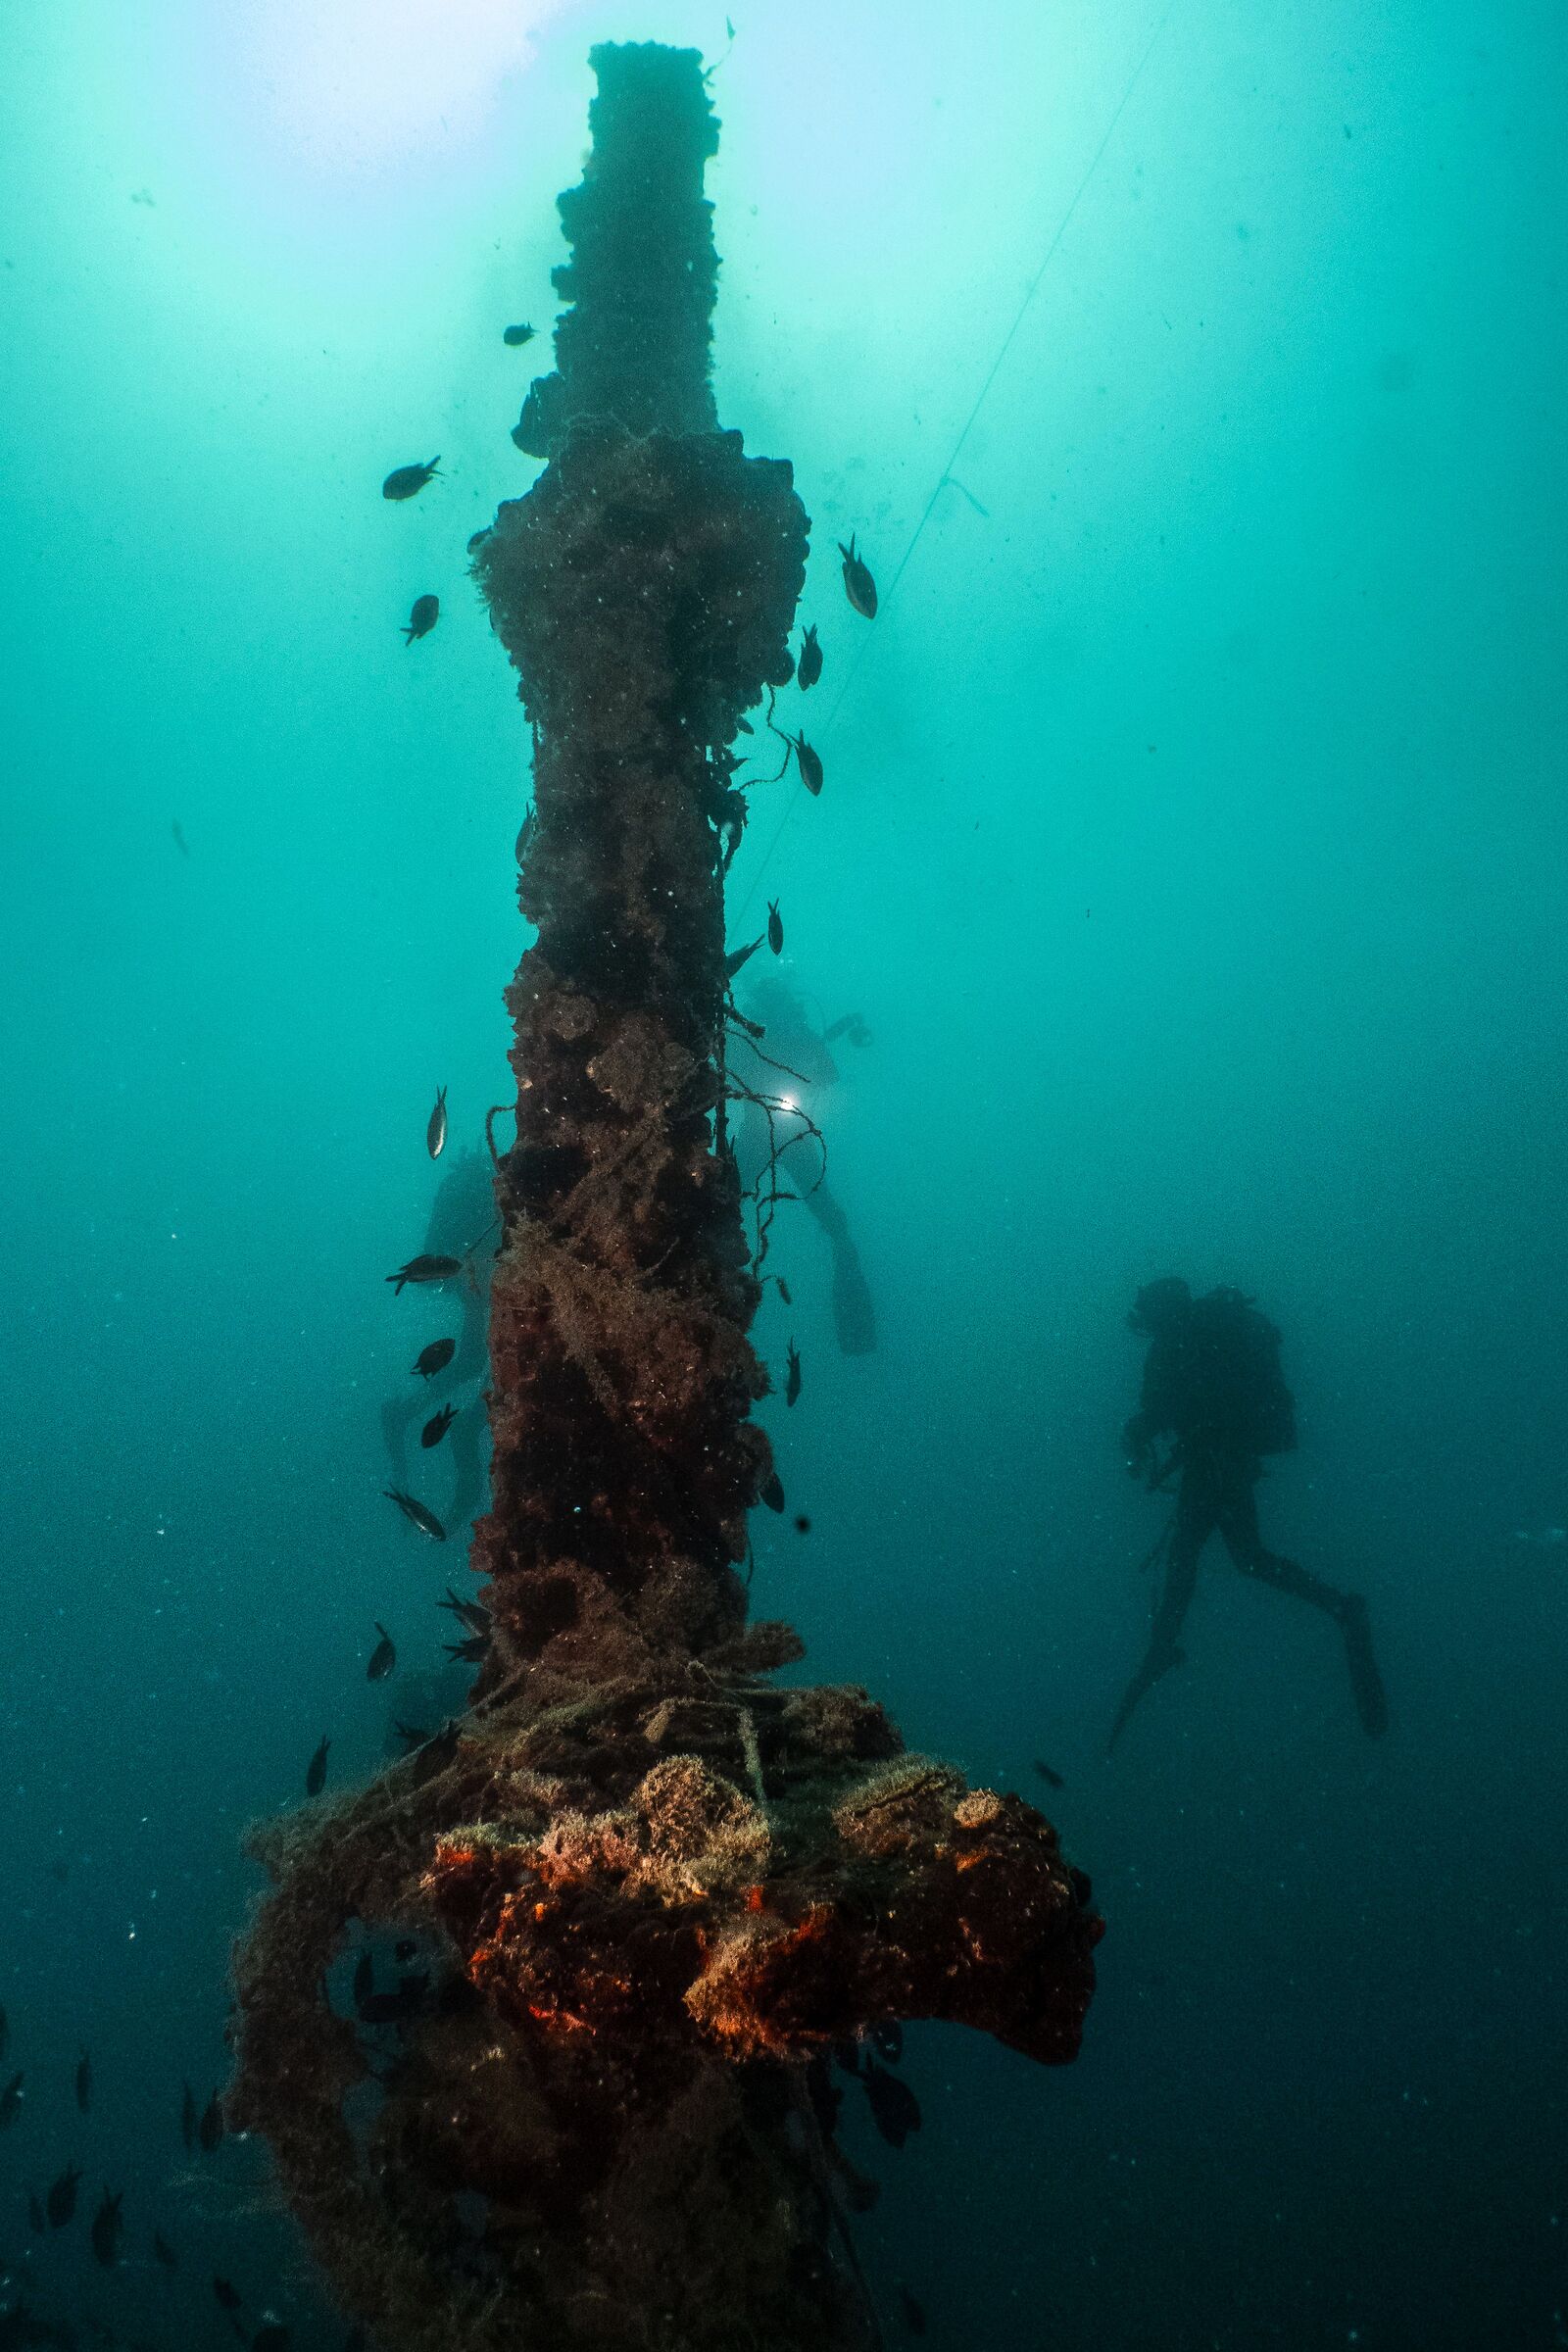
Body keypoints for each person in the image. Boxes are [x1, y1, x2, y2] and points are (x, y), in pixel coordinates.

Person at [1108, 1276, 1388, 1752]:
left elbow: (1170, 1407)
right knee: (1243, 1558)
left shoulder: (1188, 1342)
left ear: (1163, 1310)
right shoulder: (1191, 1340)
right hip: (1223, 1457)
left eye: (1150, 1312)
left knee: (1196, 1554)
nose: (1145, 1322)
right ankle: (1338, 1606)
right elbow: (1167, 1408)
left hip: (1217, 1459)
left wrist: (1145, 1431)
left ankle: (1164, 1645)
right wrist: (1146, 1431)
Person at [732, 977, 877, 1355]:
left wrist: (810, 1049)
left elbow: (829, 1074)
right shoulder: (752, 1033)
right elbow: (728, 1062)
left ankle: (855, 1320)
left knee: (830, 1219)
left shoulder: (794, 1033)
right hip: (765, 1134)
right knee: (726, 1201)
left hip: (790, 1134)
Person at [381, 1144, 494, 1535]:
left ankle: (408, 1411)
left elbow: (436, 1251)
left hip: (466, 1274)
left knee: (473, 1360)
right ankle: (463, 1431)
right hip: (485, 1272)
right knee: (485, 1364)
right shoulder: (487, 1184)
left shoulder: (457, 1185)